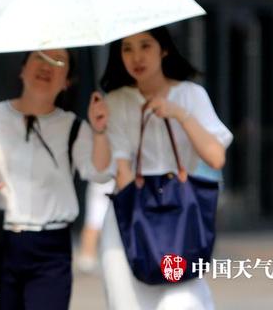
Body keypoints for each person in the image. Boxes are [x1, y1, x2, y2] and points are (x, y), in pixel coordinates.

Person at [0, 49, 112, 310]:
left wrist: (101, 131)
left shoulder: (74, 127)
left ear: (67, 81)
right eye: (40, 57)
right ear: (22, 68)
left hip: (51, 248)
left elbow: (100, 173)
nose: (47, 65)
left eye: (58, 61)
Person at [97, 26, 233, 309]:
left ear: (164, 49)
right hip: (131, 213)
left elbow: (216, 157)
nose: (137, 57)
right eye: (127, 48)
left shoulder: (191, 95)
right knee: (127, 304)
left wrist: (179, 114)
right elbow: (120, 171)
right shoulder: (116, 101)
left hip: (179, 212)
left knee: (182, 300)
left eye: (146, 45)